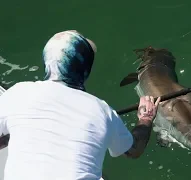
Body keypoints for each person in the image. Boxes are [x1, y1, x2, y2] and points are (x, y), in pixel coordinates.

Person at [0, 30, 161, 180]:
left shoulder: (18, 93)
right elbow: (134, 149)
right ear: (85, 69)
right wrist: (146, 118)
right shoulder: (101, 110)